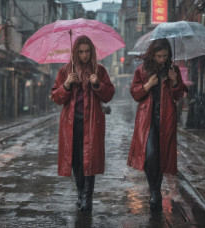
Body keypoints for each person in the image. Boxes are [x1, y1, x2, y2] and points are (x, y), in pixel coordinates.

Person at [51, 35, 115, 211]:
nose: (84, 55)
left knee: (90, 160)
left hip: (92, 122)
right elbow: (56, 97)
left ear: (91, 51)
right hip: (71, 124)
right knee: (76, 161)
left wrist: (97, 84)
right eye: (81, 52)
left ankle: (87, 197)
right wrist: (66, 84)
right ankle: (80, 193)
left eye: (87, 51)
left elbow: (109, 94)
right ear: (75, 53)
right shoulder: (66, 71)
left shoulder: (99, 71)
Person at [127, 38, 188, 212]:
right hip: (147, 119)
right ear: (153, 54)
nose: (162, 59)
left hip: (166, 119)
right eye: (159, 56)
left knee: (160, 156)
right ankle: (153, 189)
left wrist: (175, 82)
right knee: (149, 155)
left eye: (165, 56)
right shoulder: (142, 70)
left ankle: (156, 192)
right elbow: (135, 93)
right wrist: (147, 85)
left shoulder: (172, 70)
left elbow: (178, 96)